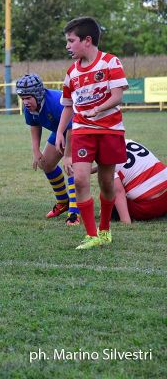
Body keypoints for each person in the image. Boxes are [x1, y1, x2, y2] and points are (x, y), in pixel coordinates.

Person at [55, 16, 128, 250]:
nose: (67, 46)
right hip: (82, 130)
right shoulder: (71, 73)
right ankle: (91, 234)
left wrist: (99, 108)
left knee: (107, 183)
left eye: (71, 40)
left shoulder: (110, 62)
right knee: (79, 179)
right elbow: (67, 105)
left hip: (110, 131)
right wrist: (59, 133)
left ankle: (105, 229)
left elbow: (118, 95)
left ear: (87, 40)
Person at [16, 73, 80, 225]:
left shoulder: (55, 102)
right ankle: (63, 202)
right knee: (46, 164)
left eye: (28, 98)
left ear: (38, 95)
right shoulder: (29, 107)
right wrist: (36, 150)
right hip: (60, 131)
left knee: (70, 166)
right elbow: (34, 125)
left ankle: (75, 211)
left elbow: (71, 127)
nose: (25, 102)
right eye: (22, 98)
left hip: (78, 129)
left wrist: (68, 154)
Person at [112, 139, 167, 223]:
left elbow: (118, 192)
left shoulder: (106, 157)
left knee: (107, 191)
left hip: (148, 207)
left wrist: (125, 221)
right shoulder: (128, 142)